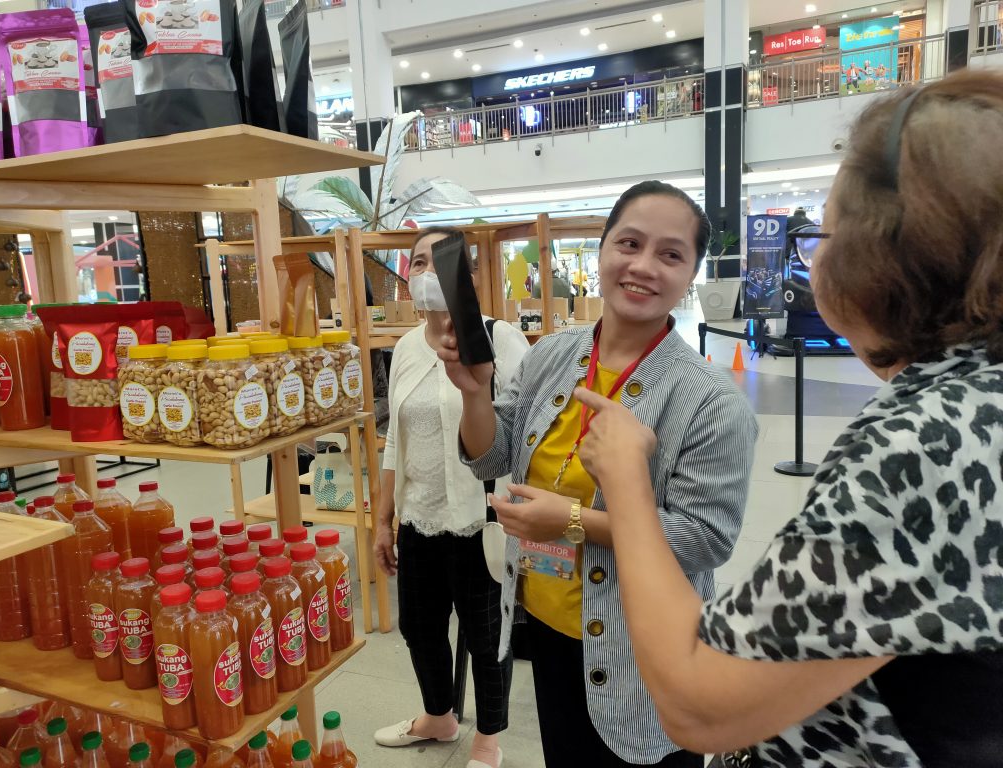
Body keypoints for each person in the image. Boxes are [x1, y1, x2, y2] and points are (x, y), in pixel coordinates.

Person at [572, 70, 1003, 767]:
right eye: (626, 243)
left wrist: (624, 478)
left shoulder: (923, 444)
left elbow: (697, 700)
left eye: (824, 231)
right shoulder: (972, 410)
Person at [435, 181, 758, 767]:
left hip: (645, 642)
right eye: (629, 243)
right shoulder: (551, 355)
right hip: (551, 623)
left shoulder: (709, 399)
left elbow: (707, 538)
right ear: (601, 249)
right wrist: (475, 393)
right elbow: (492, 456)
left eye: (670, 254)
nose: (642, 266)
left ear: (692, 274)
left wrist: (574, 521)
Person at [372, 226, 530, 768]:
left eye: (438, 262)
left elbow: (522, 434)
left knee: (487, 636)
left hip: (482, 517)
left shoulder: (500, 339)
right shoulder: (404, 349)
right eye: (417, 263)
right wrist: (382, 517)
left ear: (467, 276)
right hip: (420, 517)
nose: (425, 273)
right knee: (420, 627)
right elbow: (396, 436)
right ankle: (439, 717)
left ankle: (488, 739)